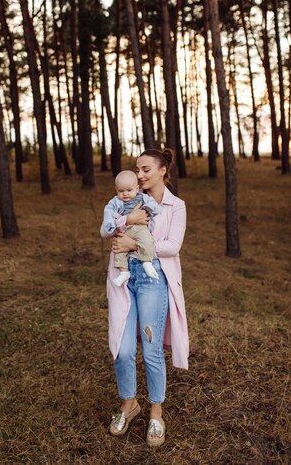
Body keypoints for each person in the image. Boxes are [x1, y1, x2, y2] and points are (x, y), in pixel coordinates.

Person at [100, 148, 189, 447]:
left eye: (146, 169)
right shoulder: (125, 198)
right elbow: (109, 229)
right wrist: (128, 223)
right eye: (138, 169)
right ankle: (129, 404)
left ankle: (155, 412)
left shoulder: (176, 206)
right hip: (124, 280)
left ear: (163, 170)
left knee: (151, 350)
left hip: (154, 281)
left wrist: (131, 246)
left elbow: (173, 245)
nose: (139, 175)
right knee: (123, 349)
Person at [102, 169, 162, 287]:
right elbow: (108, 210)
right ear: (116, 190)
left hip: (140, 229)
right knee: (119, 249)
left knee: (147, 240)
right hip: (124, 230)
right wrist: (110, 222)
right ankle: (124, 271)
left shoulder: (142, 197)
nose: (125, 194)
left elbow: (155, 206)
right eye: (121, 191)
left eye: (129, 190)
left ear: (136, 188)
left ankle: (146, 261)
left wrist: (149, 208)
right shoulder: (115, 201)